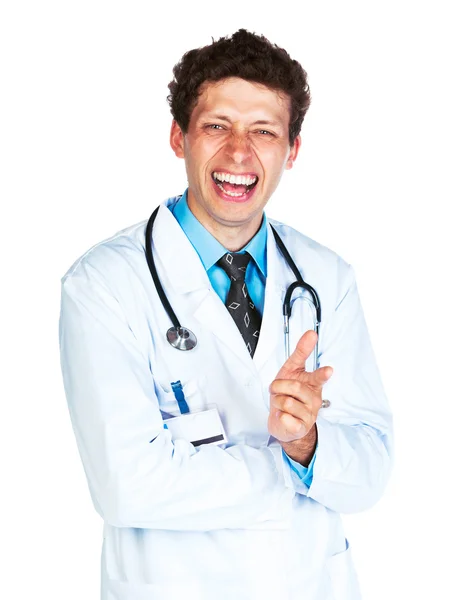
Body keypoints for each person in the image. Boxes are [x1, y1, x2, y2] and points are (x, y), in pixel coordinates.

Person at [59, 29, 393, 600]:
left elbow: (370, 474)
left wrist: (307, 444)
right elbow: (126, 486)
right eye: (218, 126)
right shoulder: (104, 284)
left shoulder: (326, 278)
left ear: (291, 151)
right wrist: (294, 471)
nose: (240, 153)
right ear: (178, 137)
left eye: (264, 131)